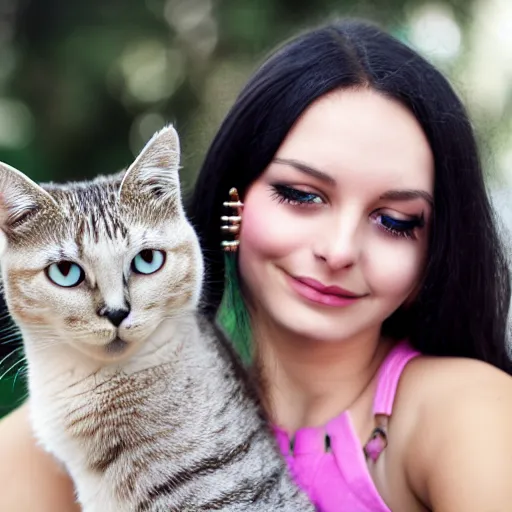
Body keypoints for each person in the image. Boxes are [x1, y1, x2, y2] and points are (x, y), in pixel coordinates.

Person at [0, 18, 511, 512]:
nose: (339, 249)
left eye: (395, 221)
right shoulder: (64, 426)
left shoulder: (471, 413)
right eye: (301, 195)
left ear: (433, 249)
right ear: (234, 202)